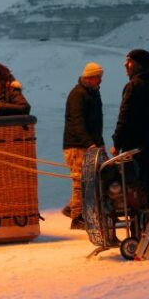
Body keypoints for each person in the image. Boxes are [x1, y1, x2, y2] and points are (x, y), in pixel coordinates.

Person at [111, 49, 149, 213]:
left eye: (129, 61)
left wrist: (117, 143)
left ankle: (142, 230)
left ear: (138, 65)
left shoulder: (134, 86)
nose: (125, 65)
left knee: (137, 192)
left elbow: (125, 118)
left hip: (137, 149)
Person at [61, 62, 105, 230]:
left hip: (89, 144)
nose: (100, 81)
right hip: (76, 146)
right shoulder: (78, 94)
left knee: (89, 180)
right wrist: (90, 143)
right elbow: (76, 122)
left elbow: (95, 122)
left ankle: (72, 209)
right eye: (98, 78)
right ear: (90, 77)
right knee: (80, 181)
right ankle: (77, 217)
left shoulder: (92, 93)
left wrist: (99, 143)